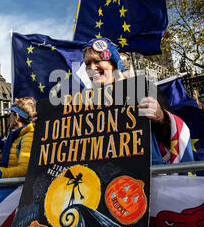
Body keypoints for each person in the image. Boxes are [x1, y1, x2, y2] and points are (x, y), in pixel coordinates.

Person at [83, 37, 194, 165]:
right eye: (87, 63)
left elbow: (174, 137)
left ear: (113, 65)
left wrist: (161, 117)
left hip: (145, 176)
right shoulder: (83, 103)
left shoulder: (140, 89)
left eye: (97, 61)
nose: (92, 67)